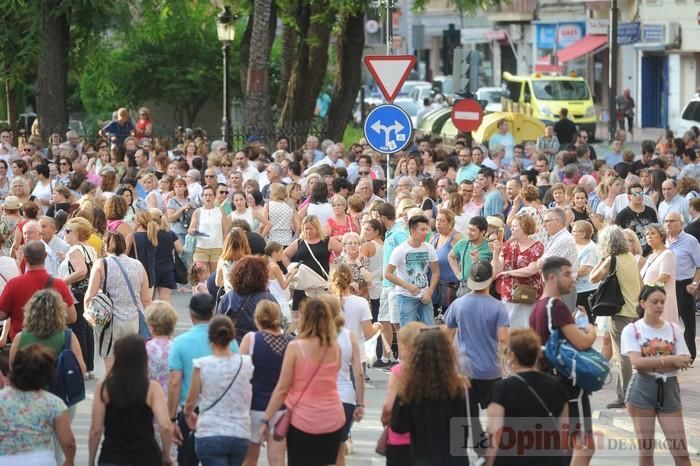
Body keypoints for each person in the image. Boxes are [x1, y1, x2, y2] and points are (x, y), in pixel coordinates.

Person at [259, 298, 345, 466]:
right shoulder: (335, 348)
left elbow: (282, 388)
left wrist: (266, 419)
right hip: (333, 417)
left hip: (303, 419)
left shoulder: (296, 347)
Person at [529, 257, 597, 464]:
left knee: (563, 445)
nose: (572, 279)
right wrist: (590, 330)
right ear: (551, 277)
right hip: (567, 384)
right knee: (584, 445)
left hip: (547, 381)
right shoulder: (556, 307)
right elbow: (583, 342)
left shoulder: (538, 307)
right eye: (567, 274)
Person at [444, 260, 509, 460]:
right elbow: (504, 339)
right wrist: (505, 364)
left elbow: (447, 336)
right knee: (495, 413)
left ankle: (479, 450)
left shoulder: (458, 304)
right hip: (492, 370)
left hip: (464, 370)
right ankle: (490, 450)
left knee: (468, 414)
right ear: (490, 279)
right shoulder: (499, 307)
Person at [621, 285, 691, 466]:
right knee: (646, 453)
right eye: (654, 302)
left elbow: (684, 359)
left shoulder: (674, 329)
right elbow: (637, 363)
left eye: (662, 302)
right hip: (642, 389)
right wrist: (670, 360)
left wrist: (656, 362)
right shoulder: (632, 329)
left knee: (681, 453)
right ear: (643, 303)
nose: (659, 306)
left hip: (669, 389)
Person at [168, 294, 239, 466]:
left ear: (191, 314)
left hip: (189, 412)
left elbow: (175, 383)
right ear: (213, 312)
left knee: (187, 460)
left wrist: (171, 419)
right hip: (222, 411)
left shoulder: (180, 342)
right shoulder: (230, 343)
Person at [484, 328, 569, 465]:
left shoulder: (501, 389)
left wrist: (488, 462)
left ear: (512, 356)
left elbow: (494, 433)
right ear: (536, 355)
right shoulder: (557, 387)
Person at [88, 335, 173, 466]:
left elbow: (96, 429)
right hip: (145, 455)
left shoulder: (104, 387)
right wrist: (167, 456)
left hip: (112, 456)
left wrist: (91, 460)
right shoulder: (151, 388)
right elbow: (165, 426)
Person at [390, 328, 469, 466]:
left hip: (422, 457)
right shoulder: (459, 387)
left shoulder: (410, 389)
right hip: (454, 458)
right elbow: (464, 429)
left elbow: (398, 426)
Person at [184, 316, 253, 466]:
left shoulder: (202, 365)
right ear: (232, 336)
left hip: (210, 431)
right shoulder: (246, 363)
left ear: (210, 337)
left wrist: (189, 414)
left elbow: (190, 401)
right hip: (240, 432)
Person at [589, 226, 641, 410]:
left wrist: (602, 259)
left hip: (620, 313)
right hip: (635, 311)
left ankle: (624, 396)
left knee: (622, 357)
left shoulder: (612, 259)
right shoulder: (630, 258)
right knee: (632, 354)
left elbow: (592, 278)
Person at [84, 231, 151, 373]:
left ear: (106, 244)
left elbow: (90, 295)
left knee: (110, 365)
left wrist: (89, 316)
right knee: (131, 364)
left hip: (109, 321)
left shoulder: (101, 264)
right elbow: (146, 299)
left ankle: (113, 393)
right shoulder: (138, 265)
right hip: (133, 320)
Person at [0, 345, 76, 465]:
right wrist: (69, 461)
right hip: (41, 460)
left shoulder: (2, 398)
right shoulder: (54, 403)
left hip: (6, 459)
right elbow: (68, 442)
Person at [239, 301, 292, 466]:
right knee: (277, 460)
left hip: (254, 406)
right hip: (282, 408)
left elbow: (240, 373)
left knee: (249, 459)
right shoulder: (291, 343)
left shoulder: (251, 339)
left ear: (258, 318)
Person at [0, 241, 77, 347]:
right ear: (45, 256)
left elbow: (2, 314)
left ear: (25, 259)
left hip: (22, 342)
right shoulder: (59, 284)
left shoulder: (14, 284)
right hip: (52, 342)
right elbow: (72, 317)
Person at [379, 322, 425, 465]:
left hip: (400, 437)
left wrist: (385, 419)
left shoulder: (399, 371)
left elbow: (388, 405)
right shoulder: (436, 369)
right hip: (427, 438)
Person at [58, 217, 97, 377]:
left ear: (76, 233)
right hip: (87, 292)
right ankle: (89, 367)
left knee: (78, 329)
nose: (65, 234)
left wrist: (60, 282)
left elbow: (81, 271)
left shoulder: (75, 250)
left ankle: (82, 368)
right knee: (87, 329)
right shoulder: (89, 249)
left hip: (75, 293)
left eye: (68, 231)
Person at [491, 214, 544, 328]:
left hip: (529, 293)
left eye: (515, 226)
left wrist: (508, 273)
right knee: (509, 325)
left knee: (527, 326)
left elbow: (531, 270)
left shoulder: (537, 246)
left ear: (525, 227)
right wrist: (496, 252)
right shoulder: (508, 246)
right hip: (508, 294)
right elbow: (497, 270)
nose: (511, 229)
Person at [385, 215, 439, 326]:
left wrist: (430, 291)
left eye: (427, 229)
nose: (426, 233)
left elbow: (435, 272)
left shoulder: (429, 248)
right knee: (409, 333)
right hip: (406, 297)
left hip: (425, 295)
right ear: (412, 231)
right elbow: (388, 274)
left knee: (430, 331)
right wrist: (406, 285)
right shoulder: (400, 250)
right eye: (422, 229)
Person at [283, 215, 340, 312]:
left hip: (320, 285)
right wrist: (291, 268)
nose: (308, 231)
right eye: (306, 229)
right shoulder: (299, 242)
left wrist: (336, 266)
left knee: (322, 313)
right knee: (300, 315)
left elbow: (343, 250)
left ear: (317, 228)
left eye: (311, 229)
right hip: (302, 286)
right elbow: (285, 255)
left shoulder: (327, 241)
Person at [664, 211, 700, 363]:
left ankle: (690, 355)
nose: (668, 224)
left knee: (688, 323)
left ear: (681, 224)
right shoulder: (663, 240)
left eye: (672, 221)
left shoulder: (690, 241)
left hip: (683, 284)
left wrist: (694, 283)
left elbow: (699, 265)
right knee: (668, 321)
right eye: (666, 221)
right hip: (666, 284)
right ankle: (668, 352)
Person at [217, 256, 278, 343]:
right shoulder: (267, 298)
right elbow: (280, 324)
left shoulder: (228, 298)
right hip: (260, 346)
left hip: (233, 346)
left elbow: (218, 325)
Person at [540, 207, 579, 311]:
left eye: (547, 221)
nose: (544, 225)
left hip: (562, 288)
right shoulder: (556, 238)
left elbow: (543, 264)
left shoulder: (563, 240)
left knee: (562, 323)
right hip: (557, 287)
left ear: (558, 222)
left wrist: (538, 263)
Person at [640, 223, 678, 324]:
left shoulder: (667, 254)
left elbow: (664, 278)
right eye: (647, 234)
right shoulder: (650, 256)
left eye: (653, 233)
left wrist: (645, 291)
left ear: (661, 236)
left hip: (662, 301)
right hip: (650, 300)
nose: (649, 236)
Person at [189, 185, 231, 275]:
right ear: (202, 197)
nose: (208, 197)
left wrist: (224, 245)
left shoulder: (220, 210)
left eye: (210, 195)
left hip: (217, 248)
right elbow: (191, 229)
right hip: (201, 248)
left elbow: (226, 230)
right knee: (198, 276)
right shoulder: (198, 211)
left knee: (215, 276)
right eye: (206, 195)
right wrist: (192, 231)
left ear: (214, 196)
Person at [615, 183, 658, 255]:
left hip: (650, 253)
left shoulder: (651, 212)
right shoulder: (622, 215)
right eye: (635, 194)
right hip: (630, 255)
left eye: (641, 193)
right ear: (629, 197)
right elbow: (618, 238)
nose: (639, 196)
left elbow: (657, 232)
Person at [572, 220, 599, 317]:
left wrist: (565, 275)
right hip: (577, 289)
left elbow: (584, 270)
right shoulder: (577, 246)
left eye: (574, 231)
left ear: (583, 234)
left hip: (586, 290)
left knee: (584, 319)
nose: (572, 234)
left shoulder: (590, 249)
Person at [216, 228, 252, 293]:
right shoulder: (249, 261)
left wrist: (228, 284)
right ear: (244, 243)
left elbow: (218, 282)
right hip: (246, 298)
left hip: (230, 298)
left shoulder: (222, 260)